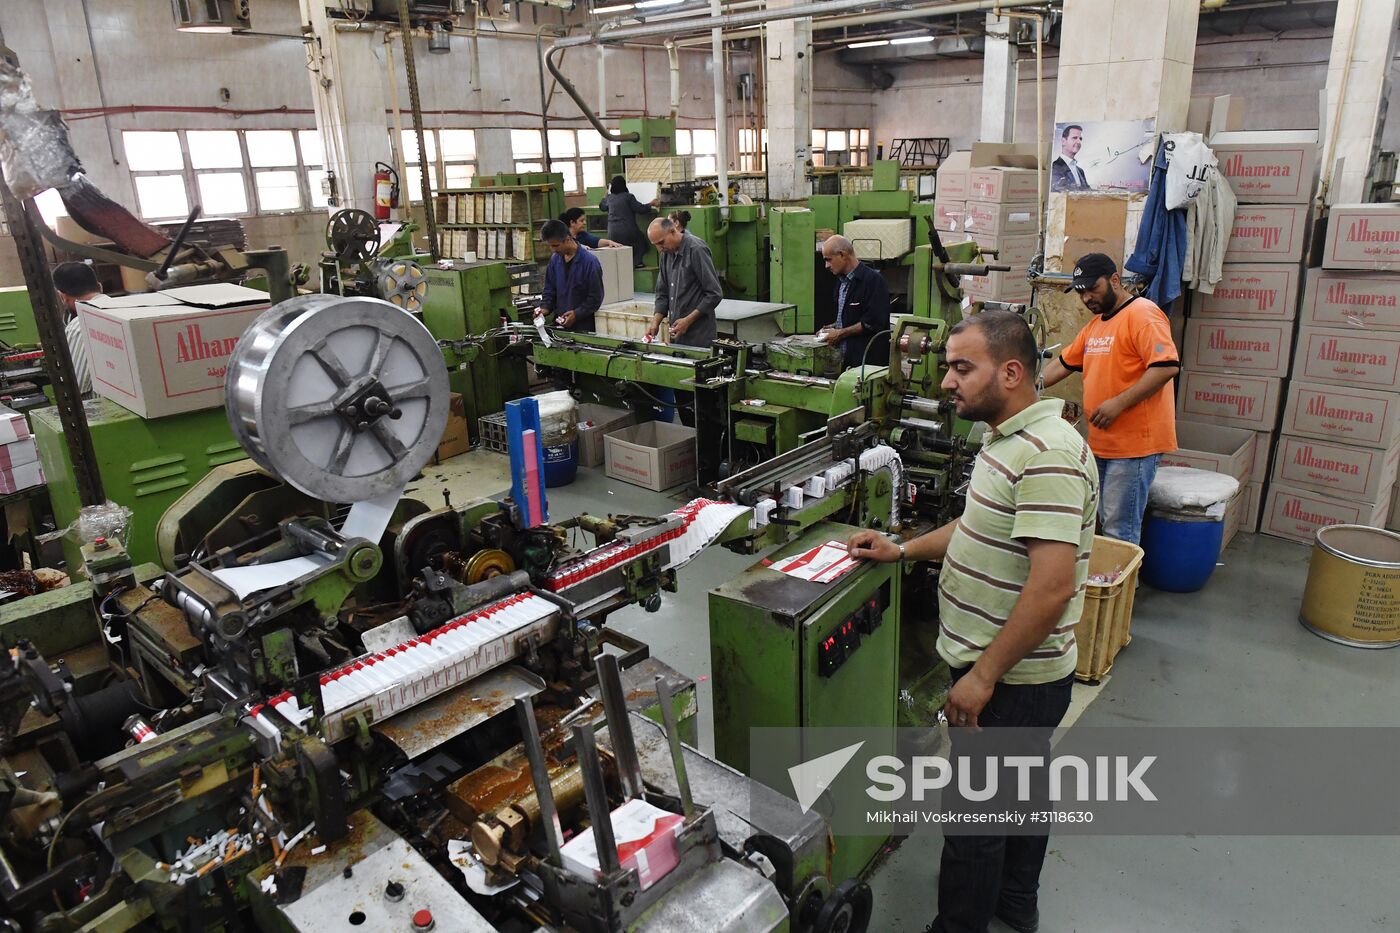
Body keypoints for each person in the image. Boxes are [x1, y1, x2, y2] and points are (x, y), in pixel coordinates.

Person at [847, 310, 1097, 933]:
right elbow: (979, 527)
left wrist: (983, 677)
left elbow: (1051, 589)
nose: (946, 383)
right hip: (1011, 676)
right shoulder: (1006, 438)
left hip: (1015, 681)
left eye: (962, 368)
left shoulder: (1048, 455)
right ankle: (1015, 904)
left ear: (1011, 372)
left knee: (974, 824)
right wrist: (903, 549)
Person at [1041, 252, 1180, 545]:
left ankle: (1123, 589)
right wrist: (1026, 389)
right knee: (1103, 521)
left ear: (1115, 280)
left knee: (1120, 530)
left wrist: (1119, 402)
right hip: (1103, 443)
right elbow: (1063, 364)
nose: (1087, 298)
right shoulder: (1095, 327)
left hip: (1134, 446)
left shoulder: (1143, 314)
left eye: (1094, 288)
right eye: (1081, 292)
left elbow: (1167, 366)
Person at [816, 234, 891, 369]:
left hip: (867, 364)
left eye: (828, 260)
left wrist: (839, 334)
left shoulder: (873, 281)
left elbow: (872, 322)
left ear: (842, 255)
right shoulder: (841, 283)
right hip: (846, 361)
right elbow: (849, 318)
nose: (826, 266)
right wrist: (832, 328)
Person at [646, 216, 722, 349]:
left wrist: (688, 321)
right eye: (656, 245)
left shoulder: (696, 249)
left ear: (673, 231)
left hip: (699, 337)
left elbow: (714, 294)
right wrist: (655, 322)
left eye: (661, 242)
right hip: (677, 336)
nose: (659, 249)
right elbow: (662, 294)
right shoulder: (666, 255)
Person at [534, 218, 604, 333]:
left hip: (584, 328)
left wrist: (577, 314)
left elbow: (595, 298)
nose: (553, 250)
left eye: (556, 246)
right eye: (550, 246)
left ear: (567, 239)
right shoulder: (555, 260)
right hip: (560, 325)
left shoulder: (589, 262)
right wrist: (545, 308)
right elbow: (549, 289)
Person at [51, 260, 97, 396]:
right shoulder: (124, 311)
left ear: (62, 296)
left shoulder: (79, 326)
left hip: (105, 412)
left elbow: (76, 386)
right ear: (100, 286)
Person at [599, 176, 658, 266]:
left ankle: (623, 264)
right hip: (627, 231)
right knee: (640, 240)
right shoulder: (628, 197)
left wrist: (606, 193)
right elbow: (640, 209)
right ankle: (636, 263)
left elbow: (602, 206)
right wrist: (651, 204)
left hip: (612, 233)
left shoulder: (609, 198)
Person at [1051, 124, 1090, 191]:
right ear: (1063, 141)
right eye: (1074, 138)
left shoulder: (1080, 171)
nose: (1079, 141)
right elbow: (1060, 193)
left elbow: (1087, 191)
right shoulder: (1054, 167)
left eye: (1080, 139)